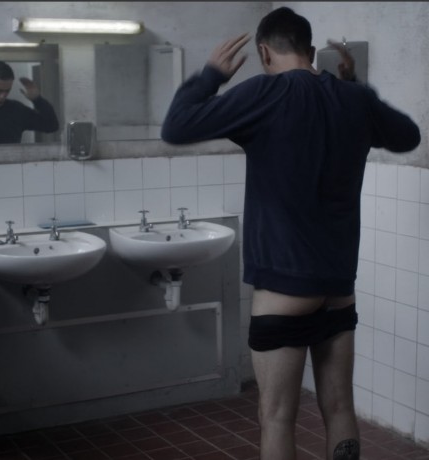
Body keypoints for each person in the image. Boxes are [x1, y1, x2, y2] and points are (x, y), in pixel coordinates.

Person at [161, 7, 420, 460]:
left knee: (277, 417)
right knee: (340, 407)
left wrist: (211, 75)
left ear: (264, 52)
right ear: (311, 49)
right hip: (337, 288)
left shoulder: (264, 93)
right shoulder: (352, 100)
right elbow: (408, 137)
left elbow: (177, 126)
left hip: (283, 290)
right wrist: (357, 88)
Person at [0, 60, 59, 145]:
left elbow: (51, 125)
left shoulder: (16, 110)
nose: (3, 96)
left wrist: (37, 100)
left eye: (7, 91)